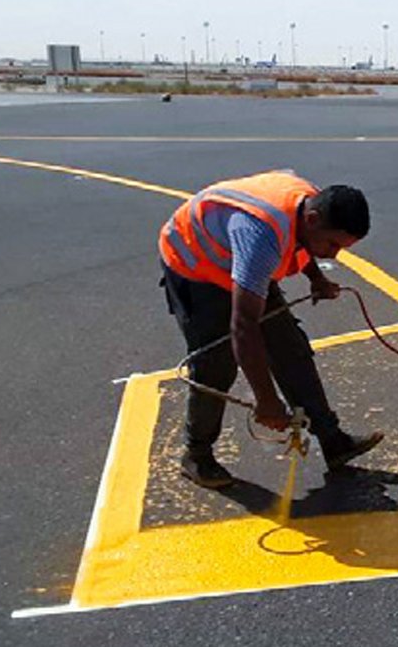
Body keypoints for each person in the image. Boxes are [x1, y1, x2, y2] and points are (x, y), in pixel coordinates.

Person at [159, 169, 384, 488]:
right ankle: (197, 455)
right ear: (314, 219)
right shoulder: (260, 237)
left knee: (290, 348)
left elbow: (299, 238)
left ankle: (333, 441)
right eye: (332, 244)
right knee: (215, 365)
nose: (334, 255)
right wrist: (266, 400)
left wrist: (317, 278)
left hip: (239, 257)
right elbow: (243, 325)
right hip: (196, 265)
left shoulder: (307, 206)